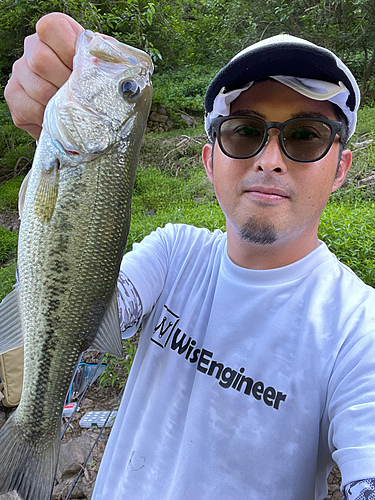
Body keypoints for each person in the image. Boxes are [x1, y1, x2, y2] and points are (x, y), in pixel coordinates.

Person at [5, 12, 375, 500]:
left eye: (306, 135)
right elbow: (82, 301)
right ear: (209, 160)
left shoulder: (359, 329)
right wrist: (53, 151)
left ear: (341, 167)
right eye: (244, 131)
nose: (270, 158)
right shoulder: (173, 254)